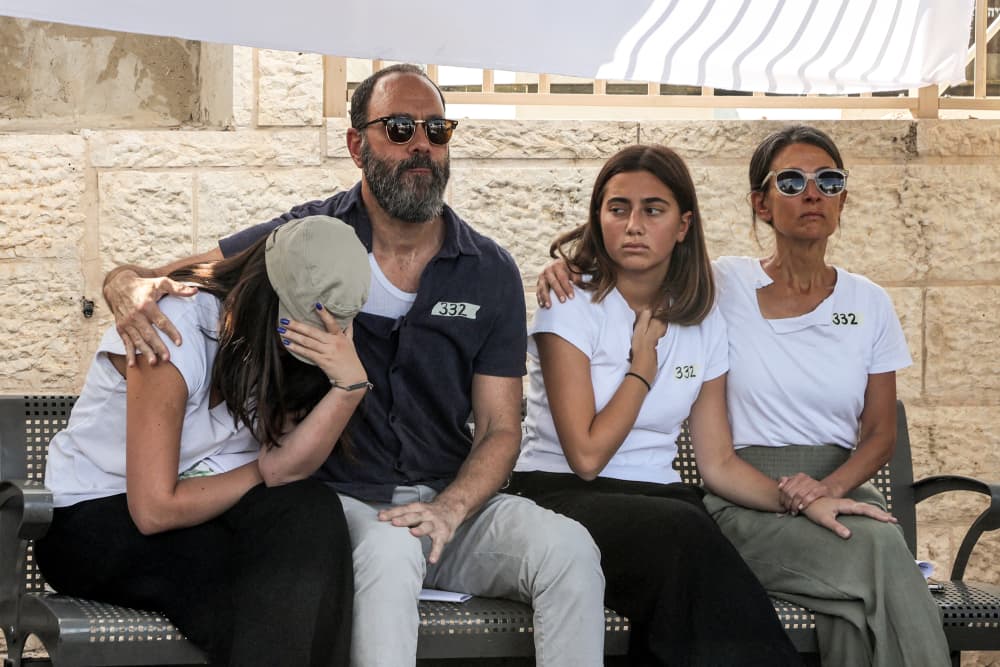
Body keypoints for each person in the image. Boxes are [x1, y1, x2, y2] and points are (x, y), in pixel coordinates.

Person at [102, 63, 606, 667]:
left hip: (452, 503)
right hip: (342, 503)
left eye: (437, 130)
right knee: (390, 557)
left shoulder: (488, 269)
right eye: (399, 128)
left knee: (569, 550)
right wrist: (121, 283)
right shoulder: (309, 240)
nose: (422, 145)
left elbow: (500, 428)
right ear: (355, 145)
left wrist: (450, 509)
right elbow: (176, 276)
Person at [537, 126, 951, 667]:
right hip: (672, 498)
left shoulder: (846, 303)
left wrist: (816, 493)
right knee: (842, 551)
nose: (812, 194)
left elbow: (868, 435)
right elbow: (589, 455)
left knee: (833, 589)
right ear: (761, 203)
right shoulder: (718, 288)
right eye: (792, 181)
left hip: (778, 492)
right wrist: (576, 275)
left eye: (828, 181)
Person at [509, 143, 810, 666]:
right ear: (598, 218)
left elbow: (718, 463)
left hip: (660, 502)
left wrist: (800, 501)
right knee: (684, 536)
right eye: (618, 208)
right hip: (559, 495)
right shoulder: (570, 304)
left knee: (692, 547)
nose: (633, 226)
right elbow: (586, 456)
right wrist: (642, 368)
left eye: (653, 210)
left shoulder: (703, 319)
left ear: (683, 224)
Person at [36, 215, 369, 666]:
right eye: (297, 324)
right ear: (265, 290)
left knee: (313, 513)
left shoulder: (300, 353)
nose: (306, 341)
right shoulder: (174, 328)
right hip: (95, 515)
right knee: (251, 586)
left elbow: (289, 470)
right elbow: (154, 510)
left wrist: (348, 388)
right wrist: (261, 470)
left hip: (205, 507)